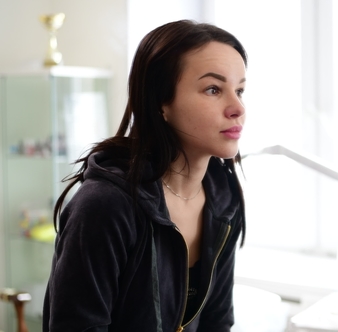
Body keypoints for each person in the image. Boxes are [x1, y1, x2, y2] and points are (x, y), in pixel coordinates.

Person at [43, 20, 247, 332]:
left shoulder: (223, 195)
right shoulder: (105, 206)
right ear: (161, 102)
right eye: (213, 89)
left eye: (240, 90)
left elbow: (217, 322)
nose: (237, 107)